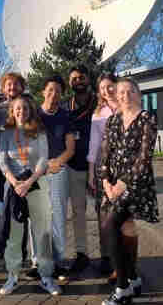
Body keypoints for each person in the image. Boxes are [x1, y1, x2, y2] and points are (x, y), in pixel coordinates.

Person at [99, 78, 159, 305]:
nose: (125, 95)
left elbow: (144, 158)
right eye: (121, 92)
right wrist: (106, 182)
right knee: (123, 228)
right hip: (112, 185)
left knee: (109, 225)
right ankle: (132, 278)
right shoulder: (113, 120)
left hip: (136, 185)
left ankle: (122, 287)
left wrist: (120, 186)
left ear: (138, 94)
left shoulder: (147, 119)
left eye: (129, 91)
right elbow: (105, 153)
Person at [0, 95, 62, 296]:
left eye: (25, 108)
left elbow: (43, 160)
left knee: (42, 232)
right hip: (14, 187)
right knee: (14, 234)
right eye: (17, 108)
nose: (21, 111)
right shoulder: (6, 133)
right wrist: (14, 181)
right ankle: (13, 276)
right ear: (12, 111)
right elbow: (2, 162)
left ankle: (45, 275)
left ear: (30, 110)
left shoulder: (39, 131)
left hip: (35, 184)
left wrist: (29, 181)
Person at [0, 72, 28, 269]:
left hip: (23, 170)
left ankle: (21, 253)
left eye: (16, 84)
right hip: (0, 171)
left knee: (21, 212)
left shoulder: (29, 108)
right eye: (8, 85)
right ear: (4, 88)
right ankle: (0, 254)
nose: (12, 88)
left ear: (22, 87)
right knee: (0, 212)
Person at [36, 75, 74, 281]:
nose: (54, 94)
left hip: (59, 170)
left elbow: (70, 148)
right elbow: (28, 144)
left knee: (58, 216)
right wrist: (42, 166)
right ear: (43, 91)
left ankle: (59, 261)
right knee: (39, 217)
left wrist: (56, 163)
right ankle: (38, 261)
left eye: (58, 91)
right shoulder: (33, 115)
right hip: (37, 171)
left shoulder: (65, 116)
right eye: (50, 90)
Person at [63, 65, 98, 275]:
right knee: (78, 212)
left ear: (88, 79)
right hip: (75, 166)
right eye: (74, 78)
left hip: (100, 167)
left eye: (82, 77)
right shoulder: (65, 105)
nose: (78, 81)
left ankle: (108, 255)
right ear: (70, 83)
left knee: (104, 213)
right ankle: (82, 253)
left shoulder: (99, 103)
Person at [87, 73, 119, 277]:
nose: (107, 90)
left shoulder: (129, 108)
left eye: (110, 86)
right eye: (102, 88)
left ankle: (123, 259)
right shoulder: (98, 113)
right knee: (103, 214)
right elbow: (94, 143)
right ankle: (106, 256)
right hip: (103, 168)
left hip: (124, 169)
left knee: (123, 215)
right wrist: (91, 172)